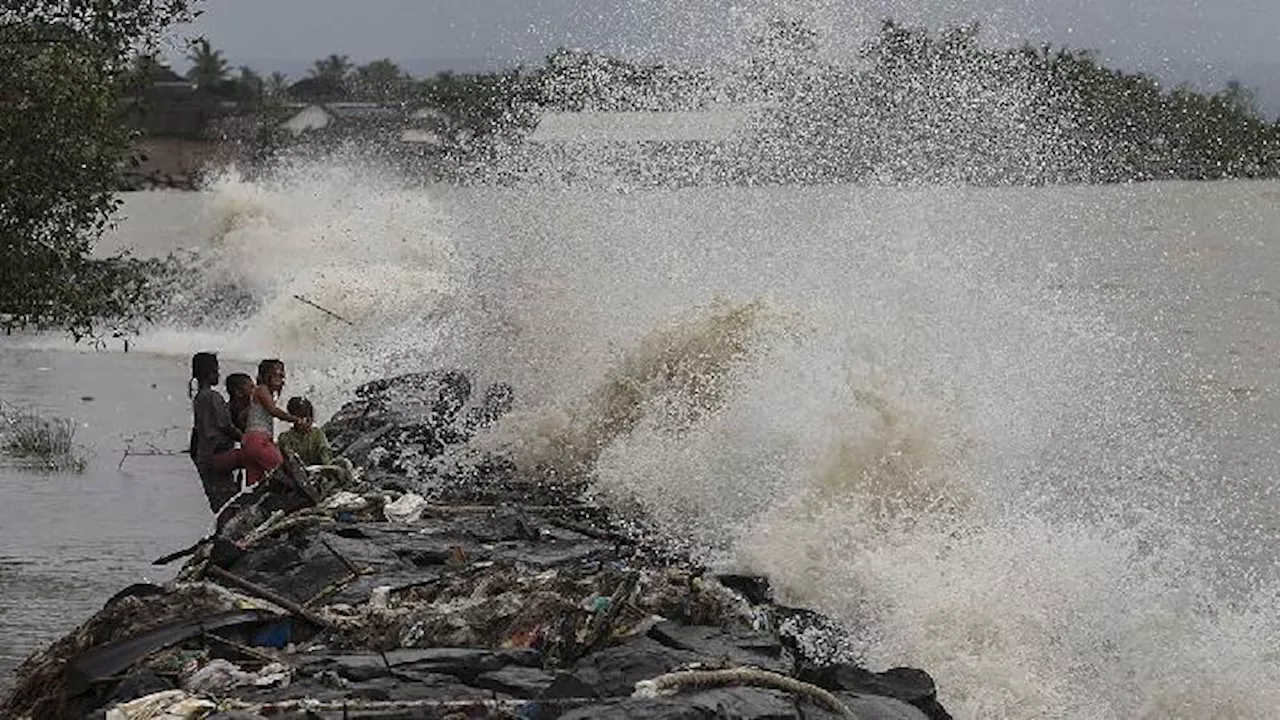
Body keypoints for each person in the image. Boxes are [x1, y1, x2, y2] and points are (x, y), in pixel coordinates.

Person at [188, 352, 243, 513]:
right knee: (228, 499)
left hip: (204, 454)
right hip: (218, 452)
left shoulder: (199, 398)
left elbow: (197, 430)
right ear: (209, 373)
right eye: (216, 370)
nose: (219, 374)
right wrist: (245, 439)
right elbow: (225, 426)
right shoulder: (213, 396)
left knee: (217, 500)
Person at [242, 359, 310, 487]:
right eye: (278, 374)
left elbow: (243, 416)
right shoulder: (261, 389)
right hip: (259, 441)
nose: (282, 378)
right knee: (284, 471)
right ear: (267, 375)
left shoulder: (258, 393)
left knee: (255, 485)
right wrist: (296, 420)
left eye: (283, 375)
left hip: (249, 442)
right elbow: (273, 411)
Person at [277, 397, 334, 466]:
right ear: (293, 419)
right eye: (301, 419)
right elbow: (290, 460)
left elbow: (325, 452)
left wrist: (327, 466)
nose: (306, 423)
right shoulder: (285, 438)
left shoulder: (317, 434)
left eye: (309, 418)